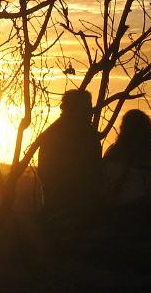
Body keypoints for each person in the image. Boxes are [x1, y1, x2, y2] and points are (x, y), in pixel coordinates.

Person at [37, 90, 102, 223]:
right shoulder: (56, 136)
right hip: (63, 205)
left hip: (76, 206)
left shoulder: (89, 135)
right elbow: (46, 173)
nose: (91, 112)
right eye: (87, 107)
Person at [103, 109, 151, 206]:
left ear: (123, 129)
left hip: (113, 203)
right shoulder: (149, 153)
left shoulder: (113, 152)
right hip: (140, 204)